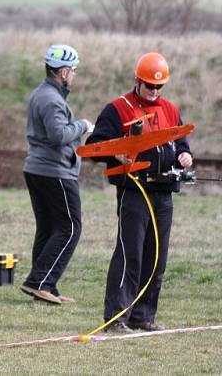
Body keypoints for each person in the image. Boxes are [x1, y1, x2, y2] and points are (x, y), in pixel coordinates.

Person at [86, 52, 192, 333]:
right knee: (129, 253)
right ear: (137, 80)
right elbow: (95, 144)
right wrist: (116, 154)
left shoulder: (170, 109)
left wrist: (184, 156)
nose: (154, 91)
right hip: (134, 192)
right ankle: (116, 318)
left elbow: (180, 142)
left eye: (159, 86)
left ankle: (142, 316)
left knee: (157, 257)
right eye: (149, 85)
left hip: (163, 193)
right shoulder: (117, 109)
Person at [20, 44, 93, 305]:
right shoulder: (51, 99)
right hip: (54, 171)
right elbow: (58, 135)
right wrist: (82, 125)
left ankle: (44, 285)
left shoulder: (43, 93)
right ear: (63, 72)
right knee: (71, 227)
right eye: (72, 71)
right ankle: (39, 282)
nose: (73, 75)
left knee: (50, 228)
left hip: (38, 169)